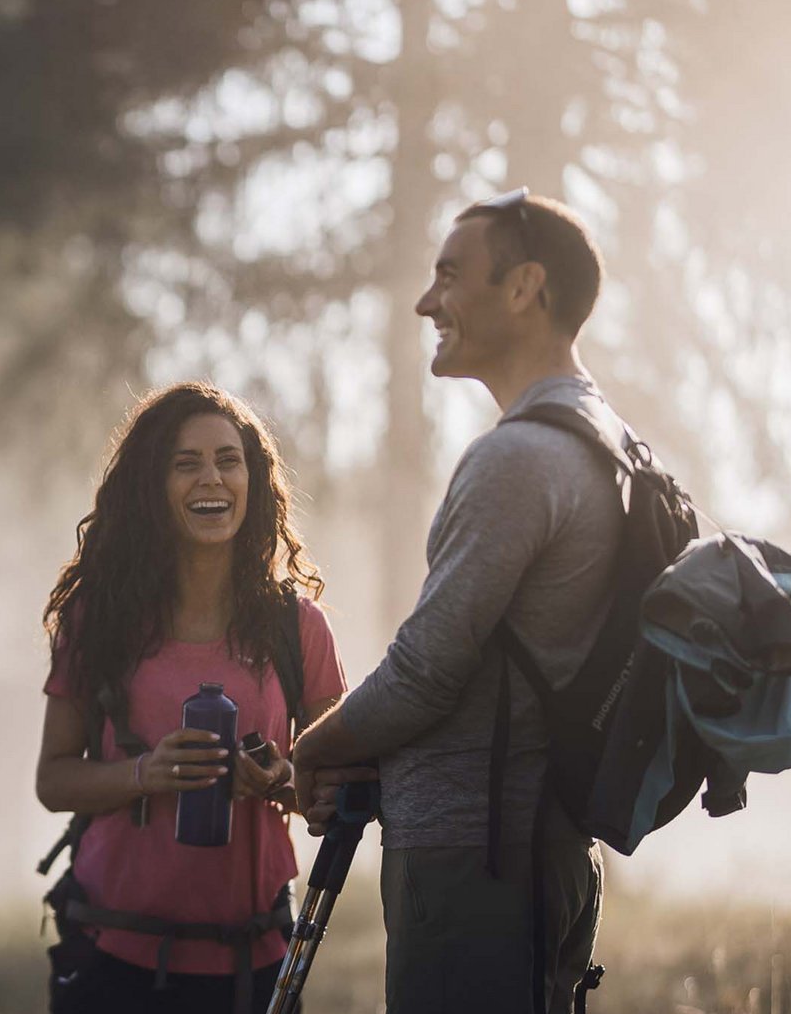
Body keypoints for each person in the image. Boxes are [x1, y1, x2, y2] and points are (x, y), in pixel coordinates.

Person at [292, 189, 617, 1013]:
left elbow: (425, 673)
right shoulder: (603, 442)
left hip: (477, 862)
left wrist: (312, 751)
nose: (425, 302)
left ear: (523, 288)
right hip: (540, 848)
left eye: (448, 276)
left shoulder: (518, 460)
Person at [36, 382, 347, 1014]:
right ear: (151, 486)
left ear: (253, 479)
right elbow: (54, 781)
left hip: (251, 962)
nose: (213, 479)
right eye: (186, 463)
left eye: (229, 460)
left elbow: (342, 789)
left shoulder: (298, 627)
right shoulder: (98, 619)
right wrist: (147, 773)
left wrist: (280, 778)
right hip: (110, 956)